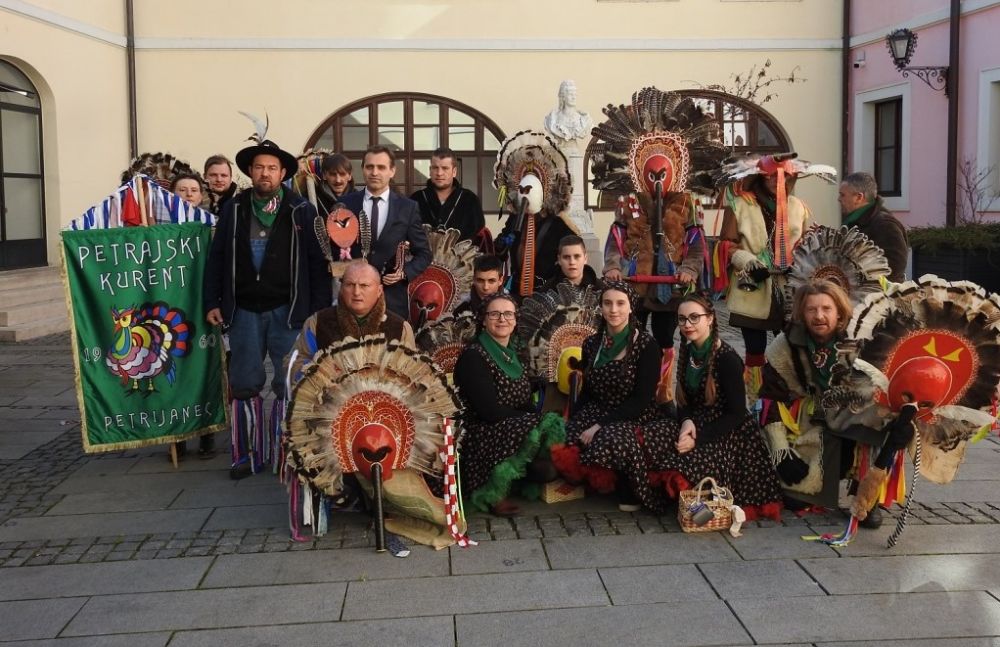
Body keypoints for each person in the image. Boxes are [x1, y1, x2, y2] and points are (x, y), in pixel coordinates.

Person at [203, 136, 331, 480]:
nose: (265, 173)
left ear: (282, 173)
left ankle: (288, 451)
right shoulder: (234, 209)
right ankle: (245, 453)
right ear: (250, 171)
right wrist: (212, 301)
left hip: (288, 311)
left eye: (272, 168)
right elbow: (217, 258)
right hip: (243, 310)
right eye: (259, 167)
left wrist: (318, 310)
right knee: (245, 382)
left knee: (291, 382)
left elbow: (317, 264)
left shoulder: (301, 210)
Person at [758, 280, 912, 528]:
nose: (819, 316)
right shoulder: (786, 344)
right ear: (802, 313)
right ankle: (819, 477)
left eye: (826, 309)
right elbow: (769, 397)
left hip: (860, 416)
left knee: (880, 426)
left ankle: (867, 494)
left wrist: (903, 420)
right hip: (814, 421)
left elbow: (890, 386)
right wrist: (781, 452)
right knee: (795, 499)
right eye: (811, 309)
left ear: (839, 312)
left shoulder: (863, 338)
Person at [643, 293, 784, 519]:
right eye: (682, 319)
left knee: (689, 460)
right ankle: (673, 501)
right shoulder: (689, 350)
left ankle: (702, 513)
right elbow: (685, 400)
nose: (687, 325)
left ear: (710, 318)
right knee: (654, 436)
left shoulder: (726, 358)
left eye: (694, 317)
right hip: (698, 421)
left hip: (728, 431)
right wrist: (686, 421)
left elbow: (736, 413)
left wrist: (697, 438)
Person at [716, 153, 836, 397]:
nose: (776, 181)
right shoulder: (740, 205)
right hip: (752, 286)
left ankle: (789, 395)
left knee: (793, 345)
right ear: (761, 177)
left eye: (782, 176)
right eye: (770, 176)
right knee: (755, 349)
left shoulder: (798, 207)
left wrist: (805, 255)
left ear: (791, 178)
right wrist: (747, 261)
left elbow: (804, 243)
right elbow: (726, 244)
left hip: (789, 287)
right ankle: (755, 399)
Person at [552, 282, 663, 512]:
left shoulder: (647, 345)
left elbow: (641, 399)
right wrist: (572, 419)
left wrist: (599, 425)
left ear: (631, 307)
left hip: (634, 414)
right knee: (563, 437)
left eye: (620, 303)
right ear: (600, 307)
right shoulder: (592, 343)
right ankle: (594, 479)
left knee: (607, 438)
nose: (614, 310)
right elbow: (588, 391)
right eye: (607, 303)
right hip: (597, 408)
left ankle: (627, 485)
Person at [453, 294, 564, 516]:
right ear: (484, 320)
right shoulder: (474, 356)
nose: (502, 319)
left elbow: (524, 402)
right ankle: (492, 491)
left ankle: (514, 481)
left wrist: (538, 419)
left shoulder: (514, 354)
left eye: (508, 314)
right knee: (540, 426)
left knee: (549, 469)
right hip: (481, 433)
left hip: (511, 427)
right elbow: (488, 411)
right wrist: (533, 421)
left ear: (515, 319)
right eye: (494, 314)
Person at [342, 145, 432, 319]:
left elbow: (424, 253)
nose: (374, 172)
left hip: (392, 301)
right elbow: (335, 248)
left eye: (381, 167)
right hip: (353, 298)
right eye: (369, 167)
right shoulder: (346, 204)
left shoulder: (407, 208)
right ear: (363, 169)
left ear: (392, 171)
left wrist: (404, 273)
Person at [838, 171, 909, 282]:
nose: (839, 199)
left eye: (842, 195)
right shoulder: (853, 221)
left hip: (879, 292)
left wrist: (863, 281)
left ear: (859, 197)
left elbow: (896, 267)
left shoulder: (885, 224)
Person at [410, 147, 485, 243]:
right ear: (430, 170)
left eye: (445, 168)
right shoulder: (415, 199)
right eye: (435, 168)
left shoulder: (470, 200)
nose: (439, 173)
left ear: (454, 172)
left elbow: (479, 239)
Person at [538, 234, 604, 294]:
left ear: (585, 258)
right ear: (559, 260)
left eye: (577, 256)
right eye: (566, 257)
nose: (572, 262)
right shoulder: (547, 290)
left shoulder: (600, 289)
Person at [543, 80, 593, 144]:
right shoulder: (553, 119)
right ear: (563, 97)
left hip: (575, 149)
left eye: (575, 94)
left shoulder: (583, 119)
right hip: (559, 148)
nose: (573, 97)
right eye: (570, 94)